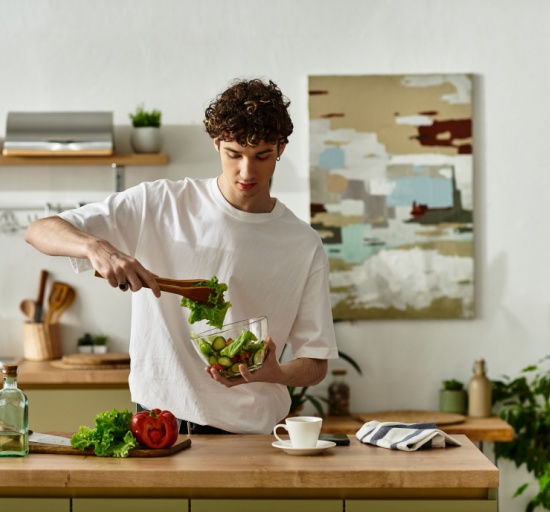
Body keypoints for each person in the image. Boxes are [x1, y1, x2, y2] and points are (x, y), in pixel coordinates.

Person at [25, 77, 338, 434]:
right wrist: (97, 247)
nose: (247, 171)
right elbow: (40, 230)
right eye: (234, 154)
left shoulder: (302, 243)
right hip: (160, 421)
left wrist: (276, 373)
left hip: (250, 430)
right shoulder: (159, 204)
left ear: (281, 149)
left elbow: (315, 362)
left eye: (262, 156)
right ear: (216, 143)